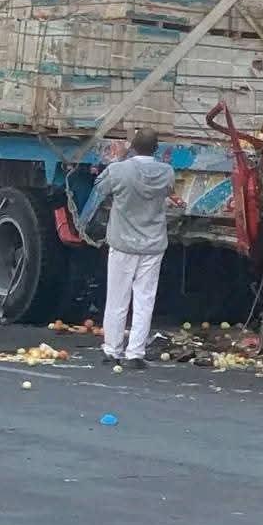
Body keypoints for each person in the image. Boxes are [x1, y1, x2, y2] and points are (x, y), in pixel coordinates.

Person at [91, 129, 175, 369]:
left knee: (118, 298)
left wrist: (121, 159)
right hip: (152, 243)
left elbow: (100, 188)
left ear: (133, 147)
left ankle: (112, 349)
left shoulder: (119, 170)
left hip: (123, 243)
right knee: (144, 299)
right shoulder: (166, 172)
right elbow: (169, 191)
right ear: (156, 149)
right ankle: (135, 353)